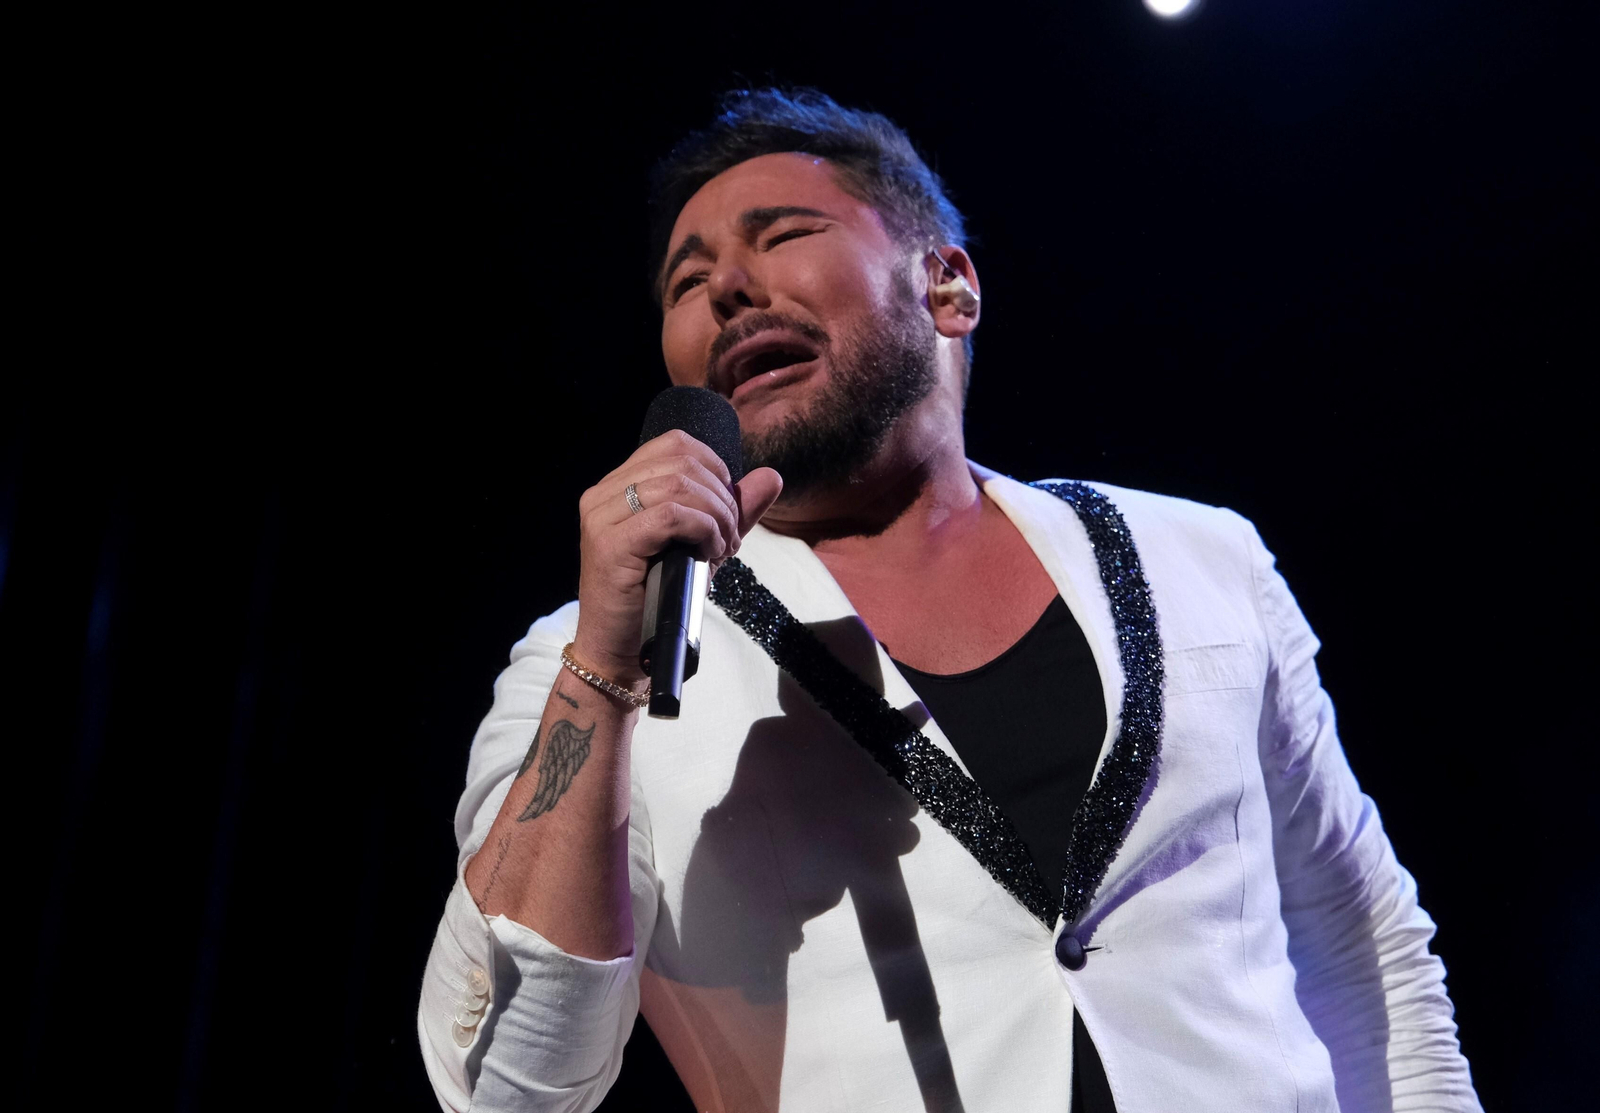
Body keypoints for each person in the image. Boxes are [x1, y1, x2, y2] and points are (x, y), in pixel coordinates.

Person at [418, 89, 1481, 1113]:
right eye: (685, 282)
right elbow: (503, 1090)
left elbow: (1361, 946)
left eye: (779, 234)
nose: (726, 289)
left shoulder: (1198, 555)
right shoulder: (596, 660)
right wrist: (603, 680)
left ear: (948, 286)